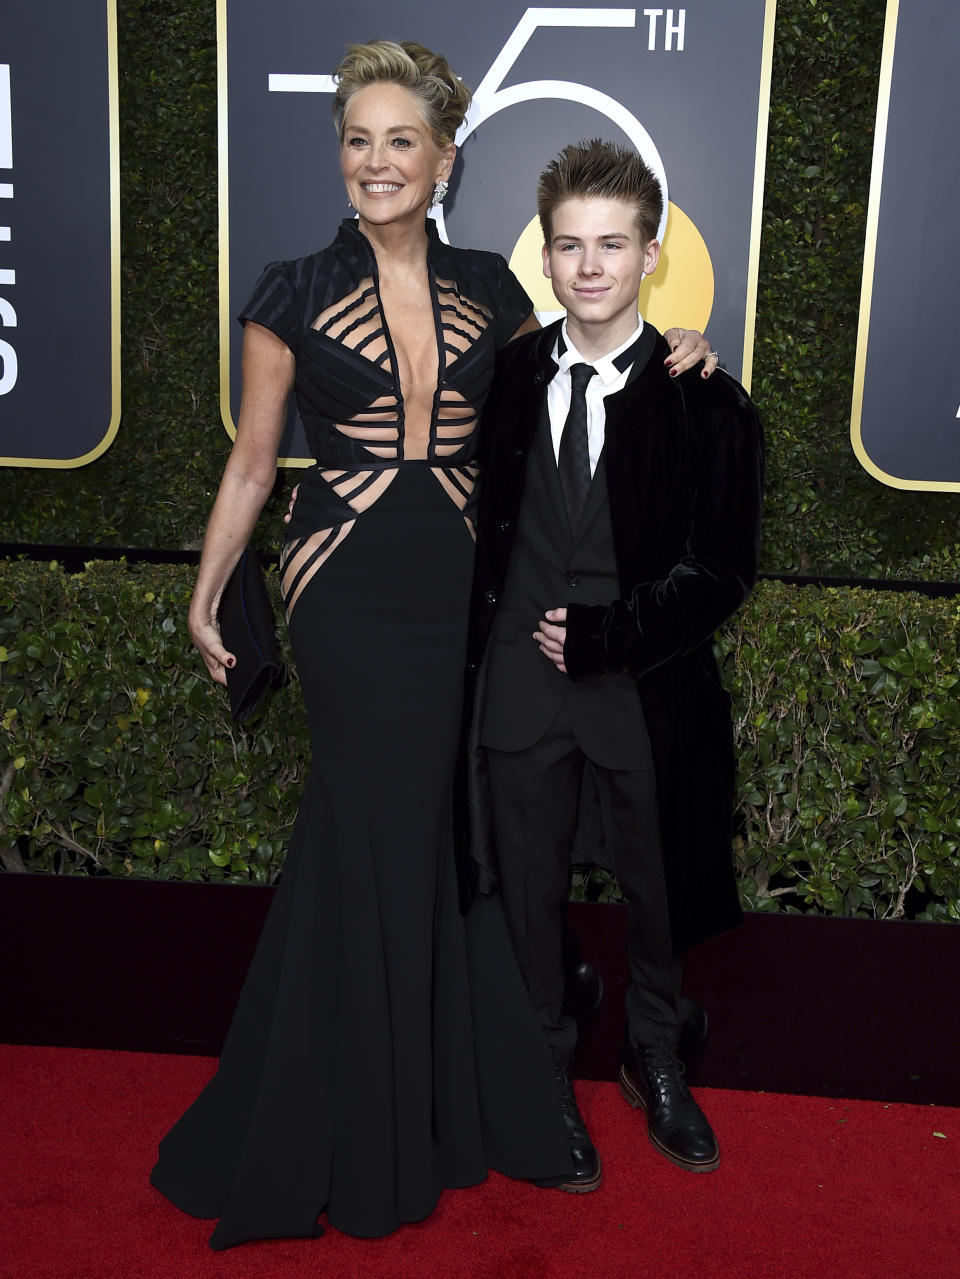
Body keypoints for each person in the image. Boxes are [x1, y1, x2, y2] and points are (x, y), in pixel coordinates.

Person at [150, 42, 715, 1248]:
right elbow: (254, 458)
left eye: (401, 140)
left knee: (450, 827)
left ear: (445, 157)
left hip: (465, 590)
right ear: (340, 154)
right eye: (358, 139)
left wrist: (682, 363)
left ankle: (446, 1091)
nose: (376, 161)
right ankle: (341, 1102)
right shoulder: (289, 290)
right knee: (367, 812)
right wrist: (206, 596)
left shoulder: (495, 295)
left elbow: (583, 370)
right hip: (344, 583)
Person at [468, 139, 764, 1191]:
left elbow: (725, 569)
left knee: (657, 889)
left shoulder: (707, 402)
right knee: (526, 892)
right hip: (518, 691)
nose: (589, 266)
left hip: (642, 692)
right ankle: (543, 1064)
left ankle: (655, 1052)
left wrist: (611, 634)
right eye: (569, 246)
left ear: (651, 254)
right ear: (545, 259)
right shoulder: (502, 380)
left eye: (612, 244)